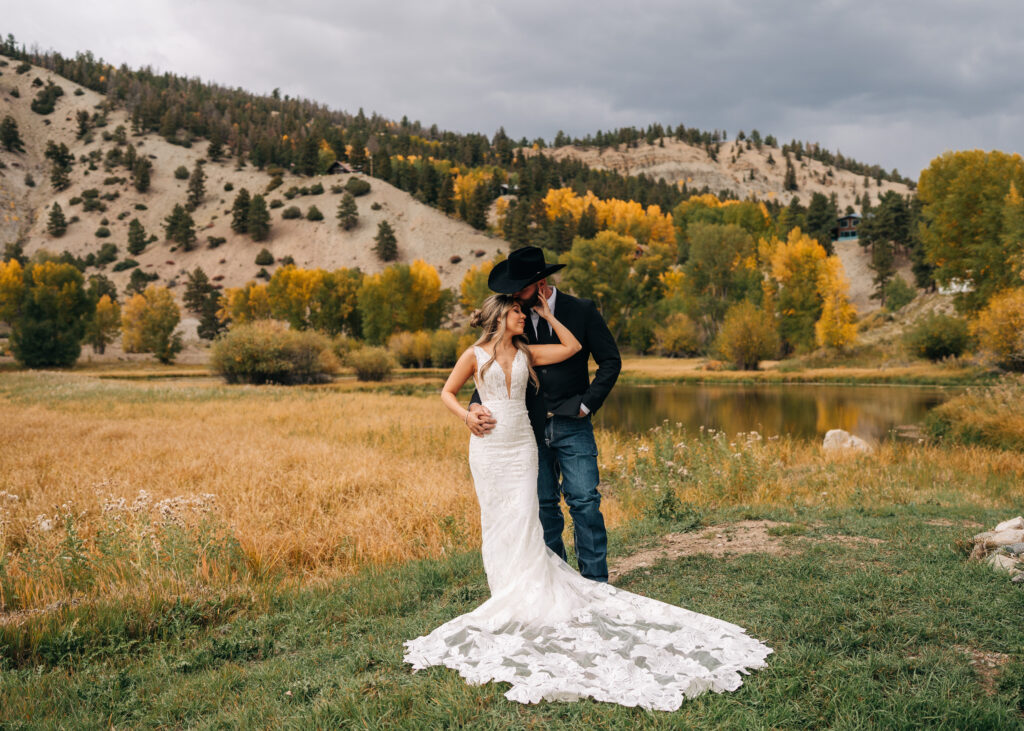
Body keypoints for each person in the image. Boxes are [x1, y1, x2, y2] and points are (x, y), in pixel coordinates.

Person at [403, 291, 772, 711]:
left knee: (531, 515)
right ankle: (506, 591)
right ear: (502, 315)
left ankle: (544, 586)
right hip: (489, 448)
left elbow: (574, 348)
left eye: (527, 309)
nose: (524, 315)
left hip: (522, 446)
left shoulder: (528, 352)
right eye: (519, 311)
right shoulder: (473, 354)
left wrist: (546, 314)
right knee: (501, 518)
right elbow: (447, 393)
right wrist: (469, 416)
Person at [466, 246, 620, 582]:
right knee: (544, 508)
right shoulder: (513, 317)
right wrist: (475, 405)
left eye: (518, 287)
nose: (513, 297)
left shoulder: (581, 310)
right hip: (528, 430)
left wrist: (587, 403)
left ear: (540, 283)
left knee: (584, 501)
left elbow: (610, 361)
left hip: (572, 423)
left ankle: (596, 583)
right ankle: (559, 583)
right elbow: (493, 365)